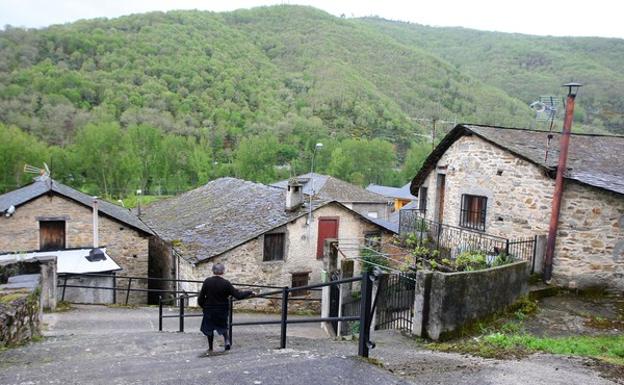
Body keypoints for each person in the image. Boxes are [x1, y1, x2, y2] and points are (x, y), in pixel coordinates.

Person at [197, 263, 253, 353]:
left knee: (209, 328)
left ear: (213, 270)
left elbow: (201, 297)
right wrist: (249, 292)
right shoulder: (226, 283)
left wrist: (203, 306)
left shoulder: (207, 281)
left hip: (209, 309)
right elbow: (238, 295)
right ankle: (227, 341)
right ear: (223, 271)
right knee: (222, 326)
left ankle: (210, 347)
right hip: (221, 309)